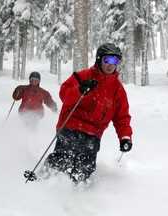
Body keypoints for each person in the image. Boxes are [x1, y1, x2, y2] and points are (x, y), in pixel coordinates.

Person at [41, 43, 133, 184]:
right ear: (99, 60)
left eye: (115, 61)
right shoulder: (83, 76)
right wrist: (80, 89)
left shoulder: (117, 89)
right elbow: (64, 94)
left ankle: (75, 189)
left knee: (86, 164)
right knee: (64, 156)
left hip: (94, 133)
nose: (111, 65)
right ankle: (45, 180)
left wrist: (125, 137)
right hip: (71, 125)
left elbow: (122, 116)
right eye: (108, 60)